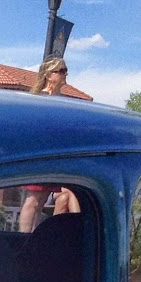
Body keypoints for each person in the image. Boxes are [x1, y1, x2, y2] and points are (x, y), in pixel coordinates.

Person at [19, 58, 81, 232]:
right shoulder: (40, 99)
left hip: (53, 156)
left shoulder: (61, 100)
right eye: (60, 71)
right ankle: (24, 238)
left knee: (42, 199)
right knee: (34, 199)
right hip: (39, 155)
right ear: (48, 75)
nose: (64, 74)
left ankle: (33, 238)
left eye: (65, 70)